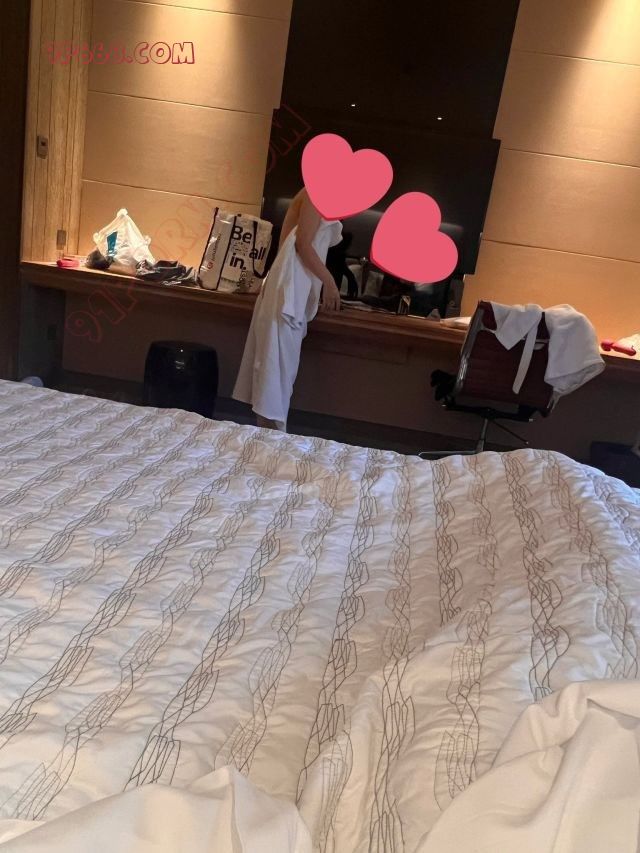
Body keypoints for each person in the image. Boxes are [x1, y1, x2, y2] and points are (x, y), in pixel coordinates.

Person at [232, 188, 343, 431]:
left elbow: (289, 243)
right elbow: (302, 244)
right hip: (287, 289)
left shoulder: (324, 194)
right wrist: (329, 282)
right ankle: (270, 437)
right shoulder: (316, 191)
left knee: (279, 369)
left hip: (292, 286)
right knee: (275, 367)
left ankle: (269, 437)